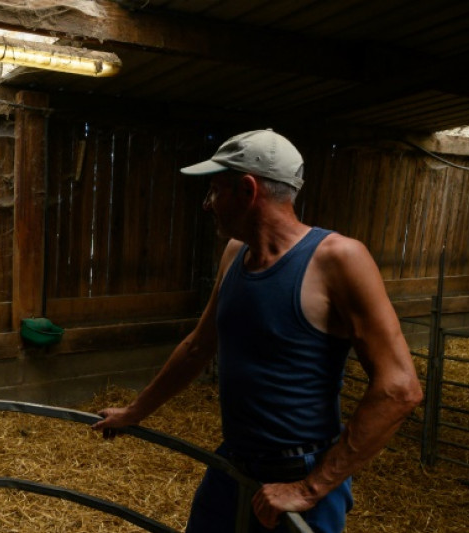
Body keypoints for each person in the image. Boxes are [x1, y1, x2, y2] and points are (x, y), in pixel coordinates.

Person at [91, 129, 422, 533]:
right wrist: (134, 412)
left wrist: (311, 486)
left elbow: (400, 387)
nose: (207, 204)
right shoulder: (235, 253)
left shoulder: (338, 260)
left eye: (215, 190)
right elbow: (199, 347)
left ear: (248, 190)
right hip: (233, 464)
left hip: (299, 475)